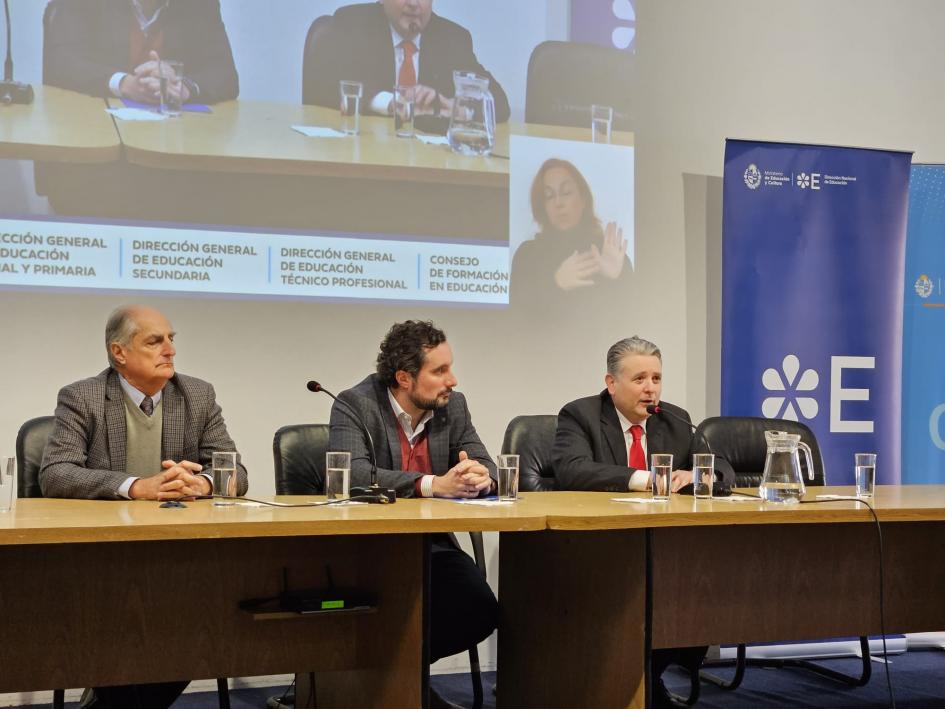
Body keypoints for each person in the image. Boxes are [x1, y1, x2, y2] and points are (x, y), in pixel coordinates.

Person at [40, 304, 248, 708]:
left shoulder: (197, 395)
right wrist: (136, 487)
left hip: (177, 553)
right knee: (126, 625)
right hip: (103, 555)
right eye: (155, 341)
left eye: (171, 339)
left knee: (205, 620)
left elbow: (235, 470)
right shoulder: (82, 397)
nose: (169, 349)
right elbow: (56, 473)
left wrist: (204, 482)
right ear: (119, 353)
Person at [552, 335, 733, 707]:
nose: (651, 389)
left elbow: (722, 468)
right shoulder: (580, 415)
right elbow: (571, 471)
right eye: (639, 379)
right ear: (611, 383)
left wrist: (702, 477)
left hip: (665, 551)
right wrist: (646, 479)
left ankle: (648, 676)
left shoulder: (675, 420)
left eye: (656, 378)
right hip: (600, 549)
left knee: (701, 592)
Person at [329, 320, 498, 709]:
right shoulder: (355, 404)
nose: (452, 380)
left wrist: (479, 475)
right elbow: (352, 475)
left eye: (450, 367)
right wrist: (431, 484)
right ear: (404, 377)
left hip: (430, 545)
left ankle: (397, 678)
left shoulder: (452, 406)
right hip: (367, 549)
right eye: (439, 371)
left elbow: (483, 460)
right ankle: (394, 687)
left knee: (479, 609)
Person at [302, 0, 510, 123]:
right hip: (363, 157)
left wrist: (458, 108)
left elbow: (499, 104)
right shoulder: (355, 23)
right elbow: (323, 86)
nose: (413, 3)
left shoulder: (452, 38)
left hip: (429, 166)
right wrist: (391, 103)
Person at [43, 0, 239, 105]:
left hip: (173, 141)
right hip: (93, 133)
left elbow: (225, 74)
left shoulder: (198, 4)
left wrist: (183, 87)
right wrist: (124, 83)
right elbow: (61, 62)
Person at [510, 158, 633, 311]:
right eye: (549, 196)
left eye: (566, 192)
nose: (558, 203)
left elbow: (636, 321)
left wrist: (617, 279)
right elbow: (516, 322)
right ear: (543, 207)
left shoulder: (608, 253)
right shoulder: (527, 255)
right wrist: (556, 284)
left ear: (583, 199)